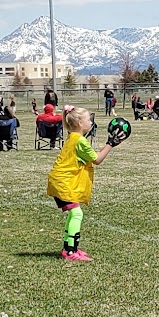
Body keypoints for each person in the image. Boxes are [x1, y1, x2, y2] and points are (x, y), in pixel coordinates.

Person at [46, 105, 117, 260]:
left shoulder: (74, 137)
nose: (90, 122)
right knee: (76, 213)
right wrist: (111, 143)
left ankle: (69, 248)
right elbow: (97, 159)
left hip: (60, 181)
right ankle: (71, 251)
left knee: (74, 213)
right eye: (88, 120)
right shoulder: (80, 141)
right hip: (62, 182)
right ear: (79, 123)